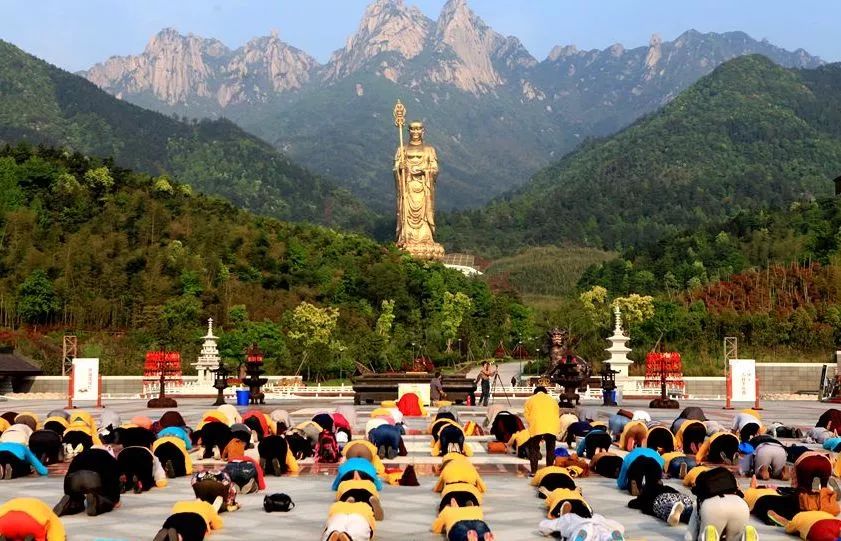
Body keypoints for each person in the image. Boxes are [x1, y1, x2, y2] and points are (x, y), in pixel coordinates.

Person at [54, 446, 121, 517]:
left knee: (76, 500)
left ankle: (70, 503)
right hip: (94, 478)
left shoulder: (80, 455)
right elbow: (113, 480)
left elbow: (68, 474)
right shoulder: (108, 457)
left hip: (74, 479)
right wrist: (115, 499)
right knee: (108, 499)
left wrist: (69, 494)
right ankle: (97, 501)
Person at [524, 386, 560, 475]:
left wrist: (532, 426)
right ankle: (549, 470)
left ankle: (534, 472)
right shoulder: (553, 400)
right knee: (550, 449)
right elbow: (557, 413)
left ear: (535, 393)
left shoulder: (530, 400)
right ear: (545, 392)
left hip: (537, 426)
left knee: (534, 448)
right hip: (551, 427)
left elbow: (526, 416)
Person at [154, 498, 224, 541]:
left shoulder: (180, 503)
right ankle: (179, 537)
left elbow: (174, 512)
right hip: (196, 518)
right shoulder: (207, 505)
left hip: (175, 518)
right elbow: (218, 524)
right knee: (191, 535)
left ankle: (166, 532)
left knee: (170, 527)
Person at [0, 497, 66, 541]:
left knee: (8, 532)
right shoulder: (48, 511)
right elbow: (56, 530)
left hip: (4, 519)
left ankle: (5, 536)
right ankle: (32, 538)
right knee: (37, 534)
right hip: (33, 521)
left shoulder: (8, 505)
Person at [628, 484, 693, 526]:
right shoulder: (665, 487)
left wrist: (639, 496)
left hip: (662, 499)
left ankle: (674, 512)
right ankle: (695, 515)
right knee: (689, 511)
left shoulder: (644, 496)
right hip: (680, 497)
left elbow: (631, 503)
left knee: (664, 508)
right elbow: (677, 492)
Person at [768, 510, 841, 541]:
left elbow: (789, 528)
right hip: (826, 522)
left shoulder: (799, 517)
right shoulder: (800, 518)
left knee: (789, 526)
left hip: (817, 524)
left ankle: (786, 523)